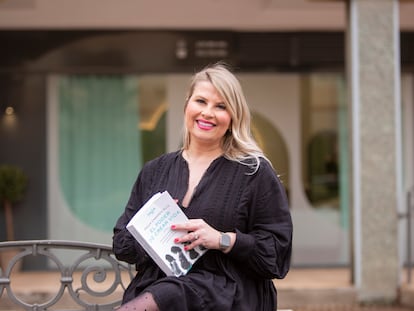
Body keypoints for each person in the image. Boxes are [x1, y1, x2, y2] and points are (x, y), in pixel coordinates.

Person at [112, 62, 293, 311]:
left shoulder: (254, 172)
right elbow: (122, 245)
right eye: (201, 101)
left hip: (229, 293)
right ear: (187, 105)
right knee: (167, 293)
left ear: (232, 118)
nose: (207, 113)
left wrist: (222, 239)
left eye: (221, 106)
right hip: (158, 289)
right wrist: (152, 226)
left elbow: (277, 255)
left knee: (169, 294)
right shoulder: (155, 171)